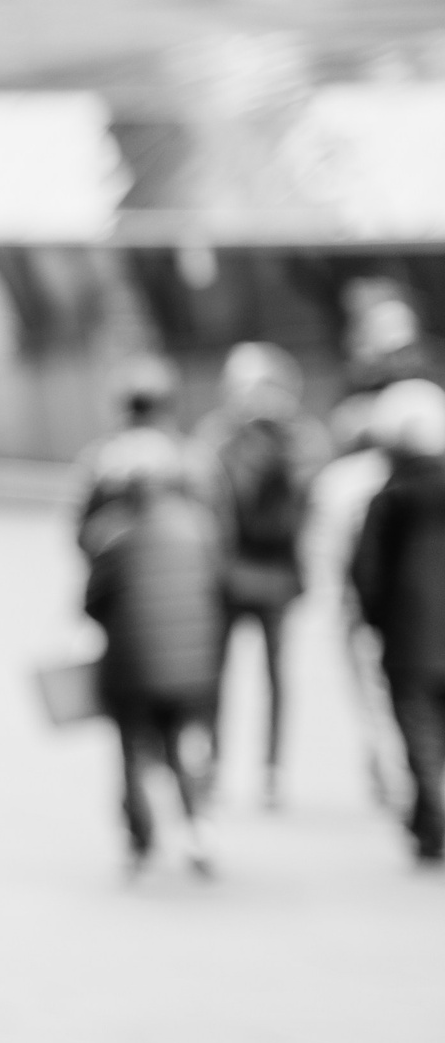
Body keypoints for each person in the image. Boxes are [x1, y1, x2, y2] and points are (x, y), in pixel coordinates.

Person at [79, 366, 227, 876]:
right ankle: (198, 828)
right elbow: (218, 575)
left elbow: (90, 596)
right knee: (186, 739)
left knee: (130, 742)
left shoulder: (110, 525)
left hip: (131, 660)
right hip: (194, 660)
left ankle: (139, 835)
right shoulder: (196, 514)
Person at [197, 343, 326, 807]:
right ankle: (269, 770)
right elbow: (311, 502)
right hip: (275, 575)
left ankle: (218, 764)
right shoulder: (301, 438)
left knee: (223, 674)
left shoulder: (223, 436)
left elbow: (208, 500)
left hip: (233, 573)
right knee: (273, 677)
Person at [351, 378, 445, 864]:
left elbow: (366, 573)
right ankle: (427, 821)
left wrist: (376, 620)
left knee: (419, 730)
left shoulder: (390, 497)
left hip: (411, 637)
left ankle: (433, 816)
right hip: (417, 633)